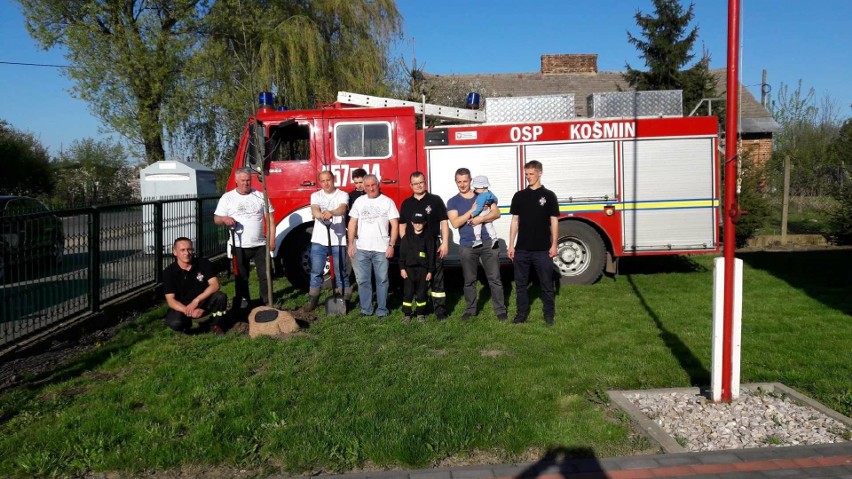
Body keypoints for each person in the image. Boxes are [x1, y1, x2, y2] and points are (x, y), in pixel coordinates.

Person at [446, 168, 507, 321]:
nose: (462, 184)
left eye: (465, 181)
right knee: (469, 280)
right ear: (455, 182)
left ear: (470, 181)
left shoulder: (483, 195)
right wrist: (472, 211)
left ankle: (500, 311)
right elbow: (455, 223)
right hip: (467, 245)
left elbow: (496, 213)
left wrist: (480, 219)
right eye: (459, 181)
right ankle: (470, 310)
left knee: (495, 278)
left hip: (487, 243)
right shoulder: (452, 201)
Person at [508, 160, 560, 326]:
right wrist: (511, 244)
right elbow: (515, 221)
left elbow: (554, 221)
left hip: (542, 250)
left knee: (546, 284)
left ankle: (549, 314)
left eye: (531, 174)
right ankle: (521, 314)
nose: (528, 177)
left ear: (540, 173)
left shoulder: (549, 196)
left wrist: (554, 245)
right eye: (526, 174)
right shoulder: (519, 196)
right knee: (521, 285)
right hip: (522, 249)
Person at [213, 167, 274, 307]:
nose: (246, 183)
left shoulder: (260, 195)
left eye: (248, 180)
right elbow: (216, 219)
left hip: (260, 244)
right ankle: (244, 302)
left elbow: (270, 218)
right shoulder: (227, 198)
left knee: (265, 275)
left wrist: (271, 239)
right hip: (239, 244)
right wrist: (224, 219)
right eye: (243, 181)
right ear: (236, 181)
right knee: (241, 277)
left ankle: (267, 302)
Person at [399, 171, 450, 320]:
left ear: (425, 182)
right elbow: (402, 225)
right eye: (415, 183)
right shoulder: (407, 203)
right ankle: (417, 311)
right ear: (411, 185)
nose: (418, 186)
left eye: (421, 182)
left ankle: (440, 312)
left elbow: (444, 222)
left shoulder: (435, 200)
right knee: (415, 281)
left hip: (433, 245)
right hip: (413, 248)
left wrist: (445, 243)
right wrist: (406, 244)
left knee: (437, 279)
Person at [347, 174, 399, 317]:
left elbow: (395, 225)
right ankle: (366, 309)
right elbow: (352, 223)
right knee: (363, 280)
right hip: (362, 247)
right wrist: (351, 243)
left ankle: (382, 310)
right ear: (363, 187)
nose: (371, 188)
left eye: (373, 185)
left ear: (378, 185)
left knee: (382, 280)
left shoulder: (388, 202)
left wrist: (391, 245)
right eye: (368, 186)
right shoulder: (359, 202)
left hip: (381, 248)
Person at [303, 170, 350, 312]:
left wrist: (332, 213)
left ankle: (345, 299)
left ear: (333, 179)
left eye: (328, 180)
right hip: (319, 240)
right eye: (322, 181)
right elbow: (315, 209)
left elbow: (342, 209)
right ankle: (313, 300)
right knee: (316, 271)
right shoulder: (316, 195)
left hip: (338, 240)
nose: (326, 183)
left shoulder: (342, 195)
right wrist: (321, 216)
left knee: (341, 271)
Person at [162, 237, 228, 334]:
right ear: (175, 252)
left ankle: (215, 324)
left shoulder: (203, 263)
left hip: (203, 301)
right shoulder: (169, 272)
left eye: (189, 249)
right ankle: (187, 326)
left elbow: (215, 285)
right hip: (183, 306)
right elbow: (171, 300)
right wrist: (188, 311)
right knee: (174, 323)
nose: (187, 253)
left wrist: (196, 301)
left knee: (220, 297)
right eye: (182, 250)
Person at [399, 212, 435, 323]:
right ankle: (407, 314)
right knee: (408, 292)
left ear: (424, 223)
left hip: (423, 270)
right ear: (412, 223)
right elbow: (402, 254)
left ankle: (420, 314)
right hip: (409, 270)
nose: (418, 225)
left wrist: (430, 271)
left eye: (420, 223)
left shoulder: (428, 238)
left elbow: (431, 255)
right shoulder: (407, 237)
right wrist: (402, 268)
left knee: (422, 292)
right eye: (416, 223)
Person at [470, 175, 500, 249]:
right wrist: (491, 204)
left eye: (476, 188)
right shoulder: (490, 194)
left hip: (481, 212)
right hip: (488, 211)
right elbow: (496, 199)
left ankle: (478, 240)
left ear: (482, 187)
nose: (475, 189)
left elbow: (479, 208)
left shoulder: (481, 196)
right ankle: (494, 238)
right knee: (489, 225)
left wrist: (473, 214)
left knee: (476, 224)